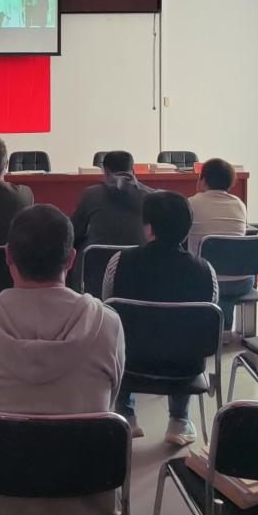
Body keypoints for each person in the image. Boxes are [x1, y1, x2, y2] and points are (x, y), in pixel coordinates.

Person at [0, 204, 126, 515]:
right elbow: (111, 397)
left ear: (7, 256)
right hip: (86, 509)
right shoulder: (107, 324)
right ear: (71, 259)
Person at [102, 190, 218, 445]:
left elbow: (108, 311)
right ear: (187, 229)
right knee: (184, 335)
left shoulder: (119, 261)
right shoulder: (205, 270)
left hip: (130, 363)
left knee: (122, 331)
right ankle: (179, 421)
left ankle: (125, 414)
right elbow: (208, 325)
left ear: (148, 228)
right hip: (184, 368)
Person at [186, 157, 254, 332]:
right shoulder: (239, 205)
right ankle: (224, 326)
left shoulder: (191, 203)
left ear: (203, 180)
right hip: (242, 281)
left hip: (205, 282)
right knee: (226, 270)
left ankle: (211, 327)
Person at [70, 150, 153, 251]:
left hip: (99, 259)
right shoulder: (151, 195)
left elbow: (73, 231)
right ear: (133, 170)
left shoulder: (91, 194)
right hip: (141, 258)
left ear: (106, 171)